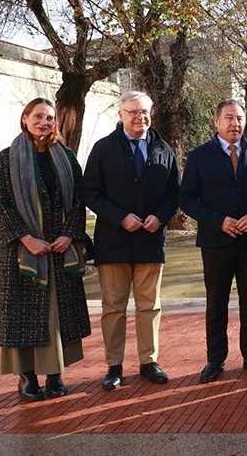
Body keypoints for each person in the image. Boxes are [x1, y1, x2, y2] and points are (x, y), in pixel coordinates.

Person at [0, 98, 91, 401]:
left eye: (49, 118)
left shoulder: (67, 158)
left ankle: (55, 374)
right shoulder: (5, 159)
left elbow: (78, 202)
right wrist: (26, 238)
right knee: (23, 316)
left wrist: (68, 235)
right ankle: (27, 377)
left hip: (58, 250)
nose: (44, 123)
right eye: (38, 116)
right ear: (24, 119)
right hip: (20, 252)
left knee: (55, 315)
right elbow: (0, 205)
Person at [82, 91, 179, 390]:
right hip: (113, 241)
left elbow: (174, 194)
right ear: (121, 115)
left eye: (145, 111)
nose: (140, 117)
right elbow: (90, 193)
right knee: (113, 308)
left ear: (152, 113)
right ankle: (114, 366)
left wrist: (160, 216)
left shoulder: (164, 149)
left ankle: (149, 361)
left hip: (150, 241)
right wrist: (119, 216)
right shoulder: (103, 148)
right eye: (133, 112)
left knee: (150, 306)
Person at [179, 99, 247, 383]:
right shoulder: (199, 156)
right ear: (216, 121)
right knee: (216, 302)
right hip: (215, 242)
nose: (235, 124)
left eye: (240, 118)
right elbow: (186, 198)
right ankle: (216, 358)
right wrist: (217, 221)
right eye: (229, 118)